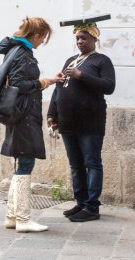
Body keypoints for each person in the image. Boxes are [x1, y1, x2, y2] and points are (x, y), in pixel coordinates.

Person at [47, 18, 116, 222]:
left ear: (94, 39)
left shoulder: (101, 61)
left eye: (84, 38)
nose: (80, 41)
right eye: (77, 38)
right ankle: (81, 202)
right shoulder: (70, 60)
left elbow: (109, 87)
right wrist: (52, 113)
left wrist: (81, 75)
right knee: (76, 164)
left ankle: (92, 207)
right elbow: (59, 87)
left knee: (92, 163)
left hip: (90, 123)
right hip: (68, 123)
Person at [0, 17, 61, 233]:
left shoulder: (14, 50)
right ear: (34, 35)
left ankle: (12, 216)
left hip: (19, 114)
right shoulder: (23, 54)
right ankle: (23, 219)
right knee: (25, 165)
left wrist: (49, 80)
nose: (42, 42)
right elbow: (19, 84)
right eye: (42, 37)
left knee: (21, 164)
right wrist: (43, 82)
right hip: (24, 115)